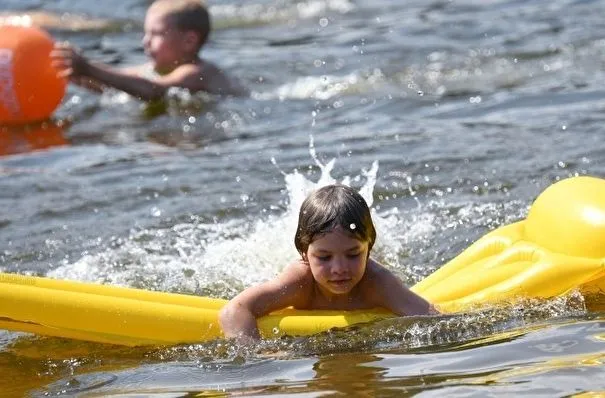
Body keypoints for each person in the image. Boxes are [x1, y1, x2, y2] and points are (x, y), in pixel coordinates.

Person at [219, 184, 437, 342]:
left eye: (353, 255)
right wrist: (257, 361)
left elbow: (433, 320)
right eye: (324, 257)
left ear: (368, 249)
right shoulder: (299, 282)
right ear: (305, 253)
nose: (339, 269)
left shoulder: (377, 282)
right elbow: (235, 311)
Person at [50, 0, 248, 101]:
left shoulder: (197, 72)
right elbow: (114, 83)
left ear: (189, 41)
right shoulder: (152, 70)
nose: (146, 41)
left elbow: (154, 91)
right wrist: (73, 74)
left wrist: (88, 68)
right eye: (146, 33)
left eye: (157, 34)